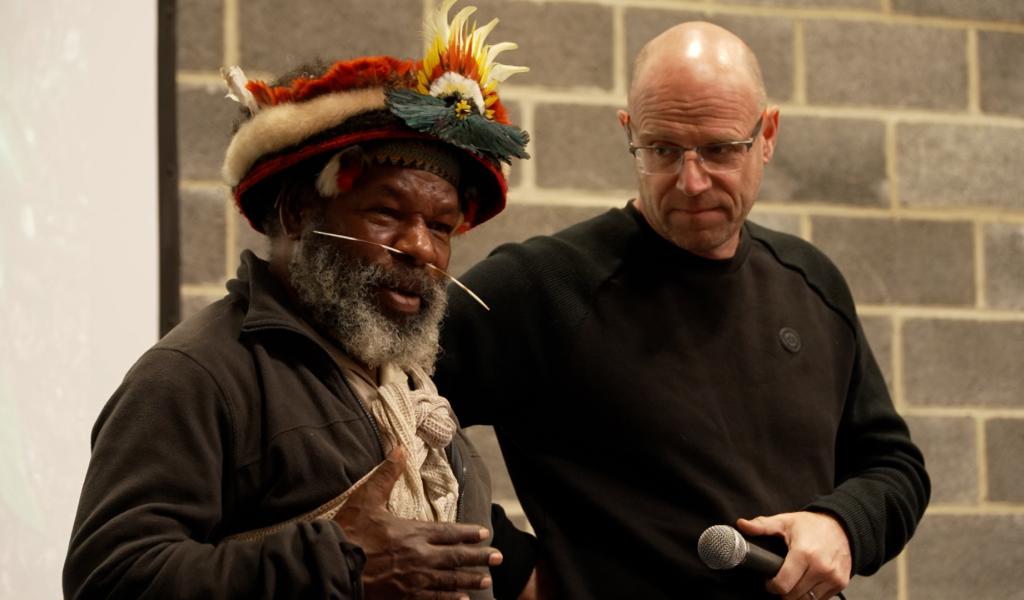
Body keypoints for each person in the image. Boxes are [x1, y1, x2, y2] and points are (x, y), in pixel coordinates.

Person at [434, 21, 930, 600]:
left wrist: (844, 525)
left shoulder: (810, 281)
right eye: (663, 150)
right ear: (629, 133)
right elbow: (382, 411)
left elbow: (894, 466)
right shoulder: (545, 286)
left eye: (720, 150)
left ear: (767, 135)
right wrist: (511, 568)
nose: (691, 181)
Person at [63, 2, 538, 598]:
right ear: (295, 214)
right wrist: (342, 566)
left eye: (441, 226)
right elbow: (110, 580)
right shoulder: (198, 376)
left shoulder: (418, 395)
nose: (420, 247)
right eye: (388, 213)